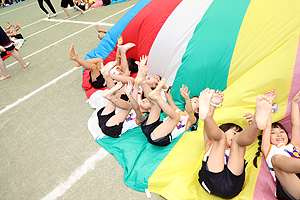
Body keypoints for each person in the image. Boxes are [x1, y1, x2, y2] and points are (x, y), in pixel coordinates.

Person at [197, 88, 272, 199]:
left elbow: (244, 137)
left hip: (234, 184)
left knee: (239, 143)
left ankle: (256, 124)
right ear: (222, 129)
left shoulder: (237, 149)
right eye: (233, 132)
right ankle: (207, 115)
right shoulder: (211, 143)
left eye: (238, 133)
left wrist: (252, 123)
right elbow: (210, 130)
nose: (236, 135)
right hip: (212, 179)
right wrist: (212, 104)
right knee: (220, 139)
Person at [135, 61, 199, 146]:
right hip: (152, 127)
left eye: (194, 102)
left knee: (176, 117)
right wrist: (165, 89)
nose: (190, 102)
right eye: (191, 100)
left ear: (197, 111)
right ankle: (143, 82)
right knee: (155, 104)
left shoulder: (192, 120)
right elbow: (170, 100)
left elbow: (190, 112)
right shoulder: (178, 110)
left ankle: (157, 97)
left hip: (159, 137)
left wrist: (187, 98)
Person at [257, 89, 300, 200]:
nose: (279, 134)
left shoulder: (294, 146)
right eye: (273, 132)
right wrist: (268, 105)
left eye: (281, 131)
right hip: (290, 187)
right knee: (276, 159)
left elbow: (296, 125)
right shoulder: (269, 149)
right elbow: (266, 126)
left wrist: (294, 103)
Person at [97, 60, 151, 138]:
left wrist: (129, 94)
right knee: (118, 95)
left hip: (112, 128)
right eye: (147, 99)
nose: (146, 100)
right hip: (106, 119)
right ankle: (106, 75)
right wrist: (140, 71)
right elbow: (136, 88)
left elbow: (136, 108)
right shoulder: (135, 104)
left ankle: (111, 97)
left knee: (128, 106)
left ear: (149, 110)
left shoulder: (142, 117)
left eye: (149, 102)